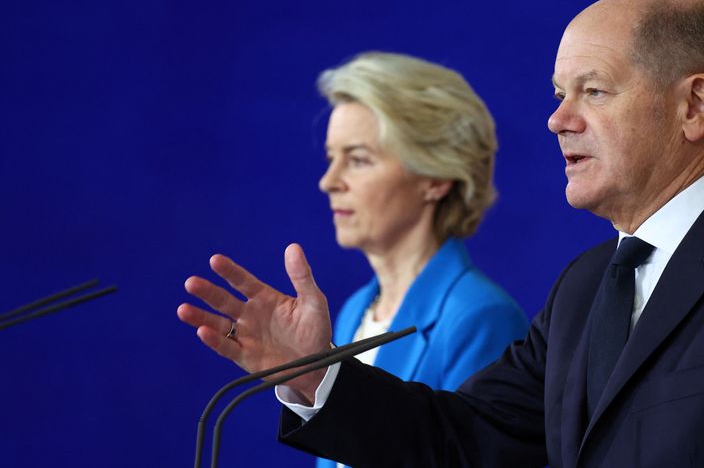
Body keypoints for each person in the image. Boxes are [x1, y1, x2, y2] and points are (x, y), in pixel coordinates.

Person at [178, 0, 704, 467]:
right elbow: (466, 441)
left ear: (695, 105)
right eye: (558, 93)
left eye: (593, 91)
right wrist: (317, 374)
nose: (558, 120)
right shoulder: (585, 287)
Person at [179, 51, 529, 467]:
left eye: (358, 159)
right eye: (331, 158)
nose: (328, 181)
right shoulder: (352, 312)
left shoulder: (479, 318)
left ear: (435, 177)